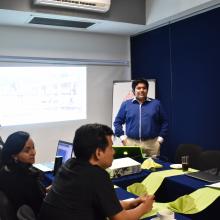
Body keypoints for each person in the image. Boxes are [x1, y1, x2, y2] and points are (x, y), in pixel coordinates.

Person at [38, 123, 154, 220]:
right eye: (111, 147)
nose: (113, 152)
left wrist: (131, 203)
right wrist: (145, 207)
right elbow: (121, 218)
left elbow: (106, 205)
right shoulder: (97, 176)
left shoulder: (69, 165)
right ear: (98, 153)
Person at [114, 79, 168, 157]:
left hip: (152, 144)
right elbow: (117, 122)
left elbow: (165, 122)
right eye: (138, 88)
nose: (141, 90)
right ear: (134, 90)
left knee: (153, 167)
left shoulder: (156, 104)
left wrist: (160, 140)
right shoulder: (126, 104)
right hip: (131, 143)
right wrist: (123, 138)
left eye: (144, 88)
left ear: (147, 90)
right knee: (132, 167)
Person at [0, 131, 46, 218]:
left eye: (33, 147)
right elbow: (42, 208)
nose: (33, 152)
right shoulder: (29, 180)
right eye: (27, 150)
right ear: (14, 155)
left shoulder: (4, 171)